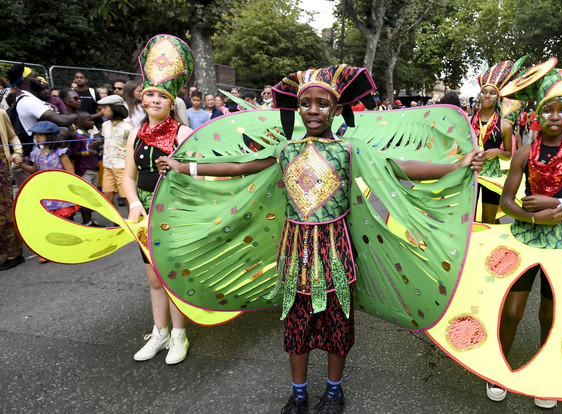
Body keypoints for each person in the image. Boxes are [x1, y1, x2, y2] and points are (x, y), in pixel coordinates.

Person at [156, 64, 484, 414]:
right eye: (306, 104)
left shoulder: (349, 150)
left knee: (336, 324)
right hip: (295, 253)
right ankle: (298, 393)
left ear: (338, 109)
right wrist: (184, 167)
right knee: (297, 324)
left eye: (322, 104)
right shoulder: (286, 150)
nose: (313, 111)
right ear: (297, 109)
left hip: (335, 253)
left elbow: (398, 167)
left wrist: (456, 165)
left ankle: (333, 391)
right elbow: (240, 167)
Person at [490, 61, 562, 410]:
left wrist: (559, 203)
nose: (555, 116)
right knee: (512, 310)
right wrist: (534, 218)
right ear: (537, 116)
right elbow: (506, 202)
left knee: (549, 314)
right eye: (548, 110)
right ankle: (498, 370)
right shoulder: (525, 153)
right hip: (526, 237)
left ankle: (545, 374)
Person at [123, 34, 195, 364]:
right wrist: (134, 204)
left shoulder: (183, 134)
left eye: (160, 95)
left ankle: (179, 336)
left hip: (176, 214)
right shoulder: (134, 135)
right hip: (144, 216)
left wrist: (179, 169)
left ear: (171, 102)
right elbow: (127, 176)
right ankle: (159, 333)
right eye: (148, 93)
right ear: (142, 98)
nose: (153, 100)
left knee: (173, 275)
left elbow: (203, 173)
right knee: (153, 277)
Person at [16, 121, 80, 260]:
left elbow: (70, 172)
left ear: (50, 136)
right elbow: (34, 170)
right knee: (50, 221)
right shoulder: (37, 154)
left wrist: (70, 188)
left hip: (61, 192)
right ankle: (53, 249)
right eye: (36, 135)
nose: (37, 138)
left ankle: (72, 245)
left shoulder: (60, 153)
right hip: (46, 193)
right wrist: (21, 164)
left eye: (41, 135)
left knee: (66, 220)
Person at [471, 60, 522, 224]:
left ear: (498, 97)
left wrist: (499, 152)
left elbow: (508, 154)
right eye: (484, 92)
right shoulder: (468, 121)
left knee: (488, 219)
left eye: (492, 93)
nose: (487, 95)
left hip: (492, 176)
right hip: (470, 173)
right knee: (467, 219)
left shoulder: (505, 126)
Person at [0, 109, 25, 271]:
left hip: (1, 167)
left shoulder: (1, 113)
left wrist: (17, 152)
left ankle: (13, 254)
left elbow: (12, 136)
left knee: (4, 211)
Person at [68, 111, 103, 226]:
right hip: (84, 170)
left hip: (93, 168)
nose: (92, 123)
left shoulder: (88, 135)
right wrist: (86, 153)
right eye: (89, 120)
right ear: (80, 123)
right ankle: (86, 222)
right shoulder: (78, 137)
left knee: (91, 197)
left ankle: (89, 220)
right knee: (86, 198)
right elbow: (72, 153)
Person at [98, 95, 131, 207]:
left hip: (123, 166)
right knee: (107, 194)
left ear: (114, 108)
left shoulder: (127, 128)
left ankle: (134, 220)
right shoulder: (105, 125)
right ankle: (116, 222)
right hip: (108, 165)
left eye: (105, 108)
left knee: (127, 195)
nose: (102, 110)